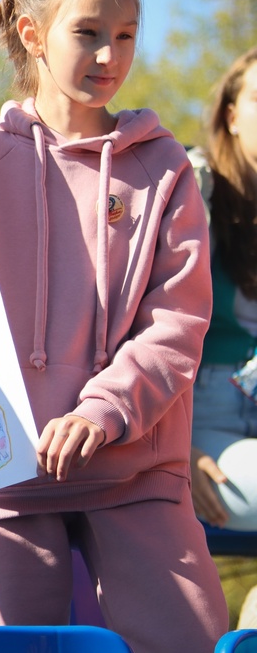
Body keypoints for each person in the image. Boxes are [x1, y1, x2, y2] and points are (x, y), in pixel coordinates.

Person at [0, 0, 227, 652]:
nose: (110, 56)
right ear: (32, 33)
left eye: (126, 35)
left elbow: (177, 322)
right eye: (89, 33)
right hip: (3, 469)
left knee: (191, 640)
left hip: (136, 466)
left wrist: (104, 411)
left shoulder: (164, 169)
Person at [187, 47, 257, 626]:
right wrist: (172, 450)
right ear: (232, 115)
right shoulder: (196, 186)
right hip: (207, 415)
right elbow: (145, 321)